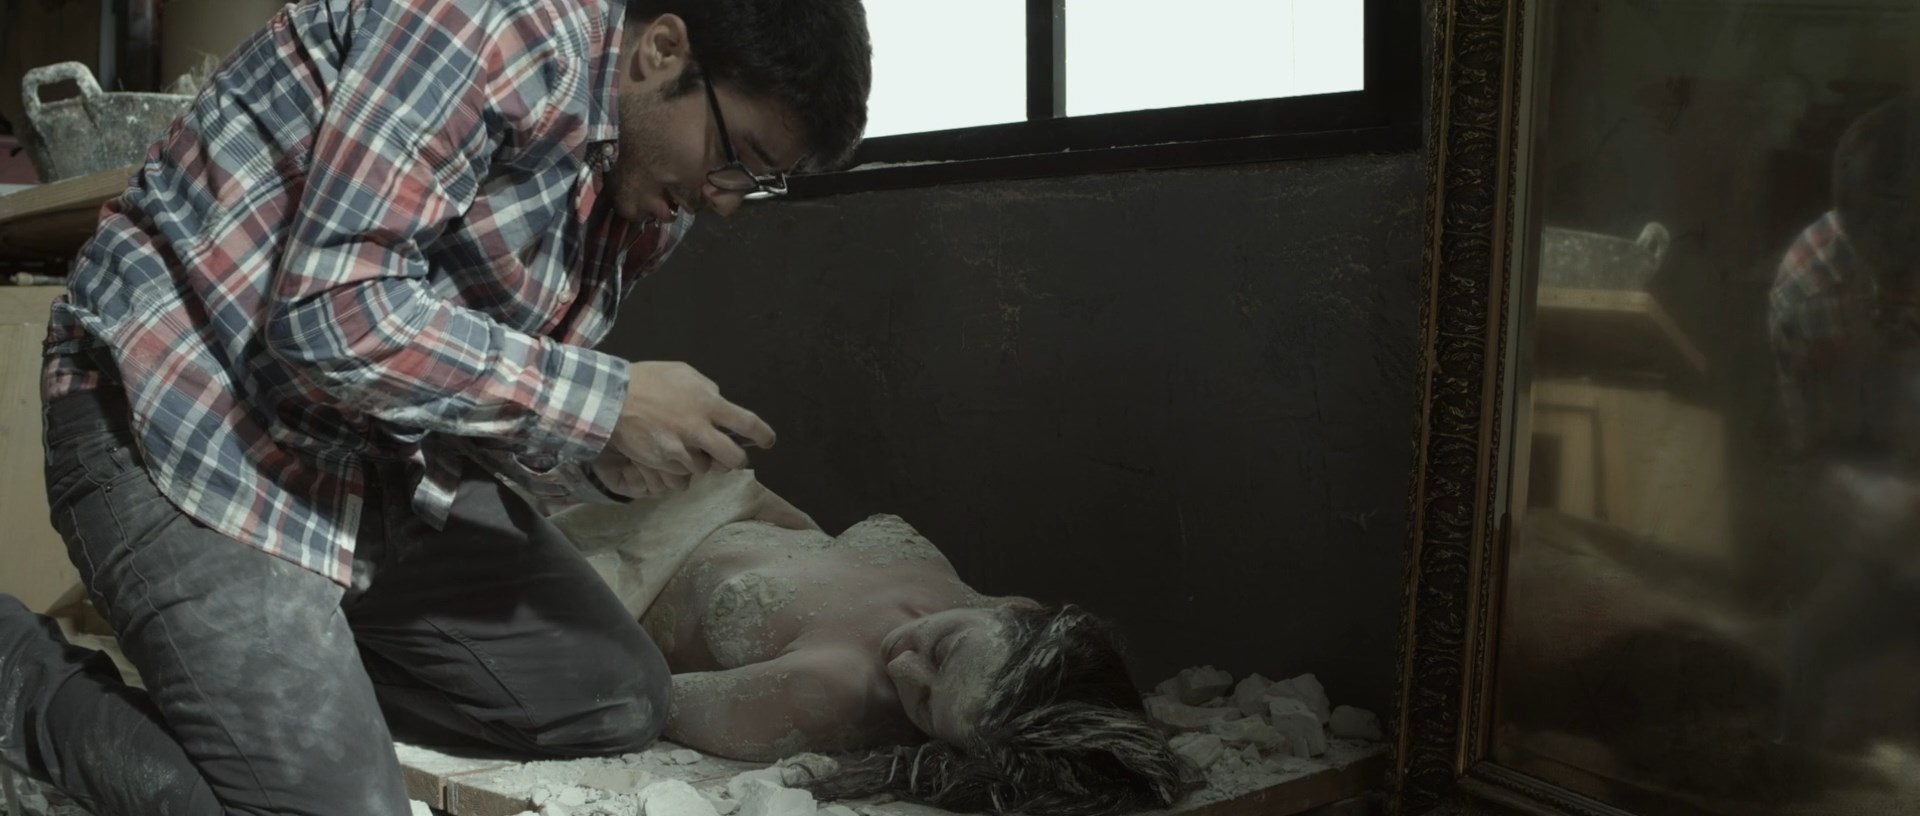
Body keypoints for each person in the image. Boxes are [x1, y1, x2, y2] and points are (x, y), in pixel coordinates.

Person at [0, 1, 872, 814]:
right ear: (663, 50)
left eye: (759, 181)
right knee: (332, 808)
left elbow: (481, 386)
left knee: (614, 697)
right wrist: (604, 400)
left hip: (369, 457)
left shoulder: (646, 192)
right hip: (187, 414)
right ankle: (14, 670)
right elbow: (330, 315)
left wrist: (608, 454)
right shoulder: (485, 24)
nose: (726, 199)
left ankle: (278, 707)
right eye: (737, 156)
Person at [543, 472, 1192, 816]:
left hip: (595, 567)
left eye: (923, 707)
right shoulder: (982, 603)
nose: (904, 668)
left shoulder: (826, 693)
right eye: (943, 653)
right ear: (1016, 610)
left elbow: (634, 695)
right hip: (685, 486)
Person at [1766, 95, 1920, 747]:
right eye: (1890, 274)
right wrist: (1861, 499)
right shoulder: (1808, 287)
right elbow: (1812, 452)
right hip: (1891, 534)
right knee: (1803, 651)